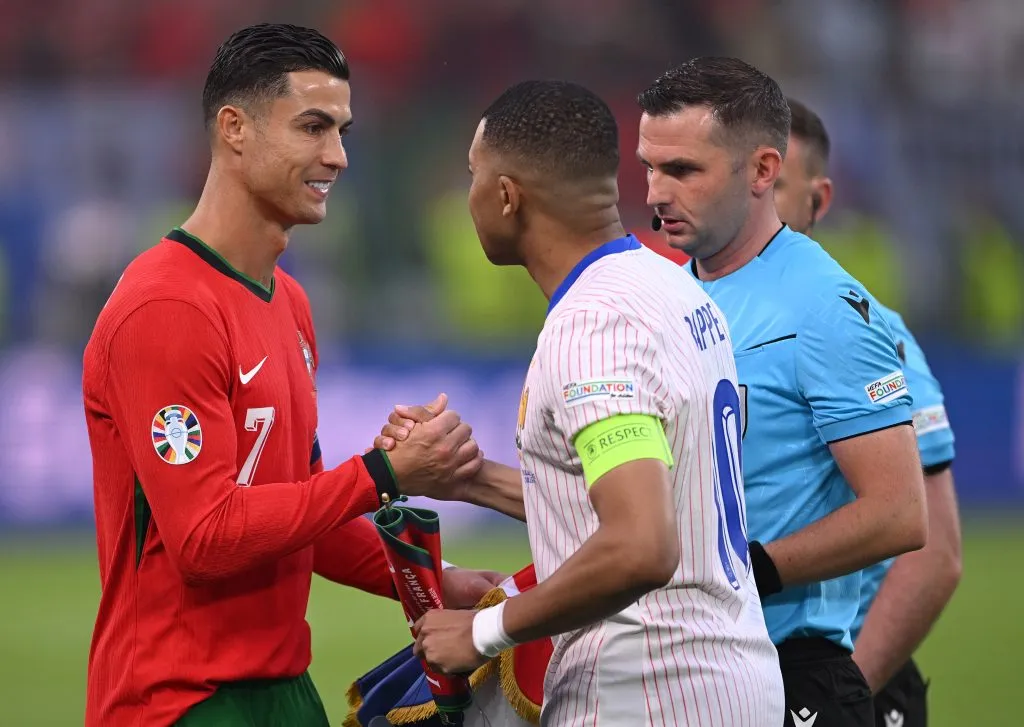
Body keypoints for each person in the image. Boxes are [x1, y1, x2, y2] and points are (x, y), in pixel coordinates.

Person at [82, 23, 498, 727]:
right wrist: (381, 473)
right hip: (180, 701)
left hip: (284, 690)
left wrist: (432, 582)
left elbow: (302, 515)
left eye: (341, 131)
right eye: (312, 127)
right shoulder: (167, 307)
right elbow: (205, 537)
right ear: (234, 129)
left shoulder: (290, 303)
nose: (337, 155)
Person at [380, 79, 784, 726]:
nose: (468, 195)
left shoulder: (594, 326)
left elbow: (642, 544)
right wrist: (471, 479)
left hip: (649, 693)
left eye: (472, 176)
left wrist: (484, 632)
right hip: (730, 676)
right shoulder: (670, 286)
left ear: (507, 196)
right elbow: (661, 501)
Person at [636, 57, 929, 727]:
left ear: (763, 170)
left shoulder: (824, 307)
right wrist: (477, 480)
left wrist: (748, 569)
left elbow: (899, 511)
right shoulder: (665, 296)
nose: (655, 192)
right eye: (649, 167)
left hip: (788, 669)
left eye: (682, 170)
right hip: (680, 666)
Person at [775, 98, 962, 727]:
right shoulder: (705, 322)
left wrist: (848, 692)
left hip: (838, 680)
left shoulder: (867, 330)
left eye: (775, 185)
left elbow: (935, 553)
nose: (755, 202)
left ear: (818, 200)